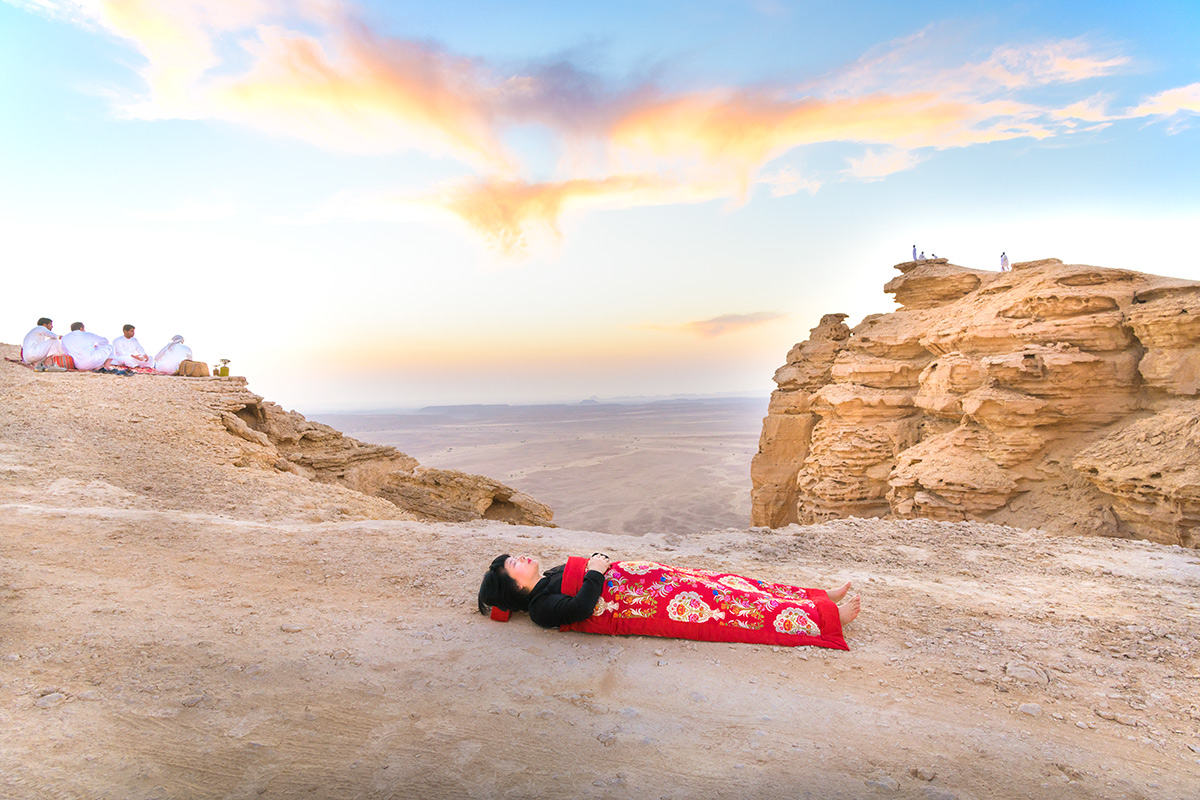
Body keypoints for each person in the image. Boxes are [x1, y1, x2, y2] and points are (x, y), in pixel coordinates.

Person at [479, 553, 860, 651]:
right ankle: (824, 620)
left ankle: (814, 597)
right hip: (650, 602)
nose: (523, 558)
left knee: (729, 584)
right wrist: (595, 570)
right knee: (730, 609)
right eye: (515, 563)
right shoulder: (542, 609)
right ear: (513, 588)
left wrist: (597, 563)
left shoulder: (547, 580)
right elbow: (580, 607)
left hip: (652, 581)